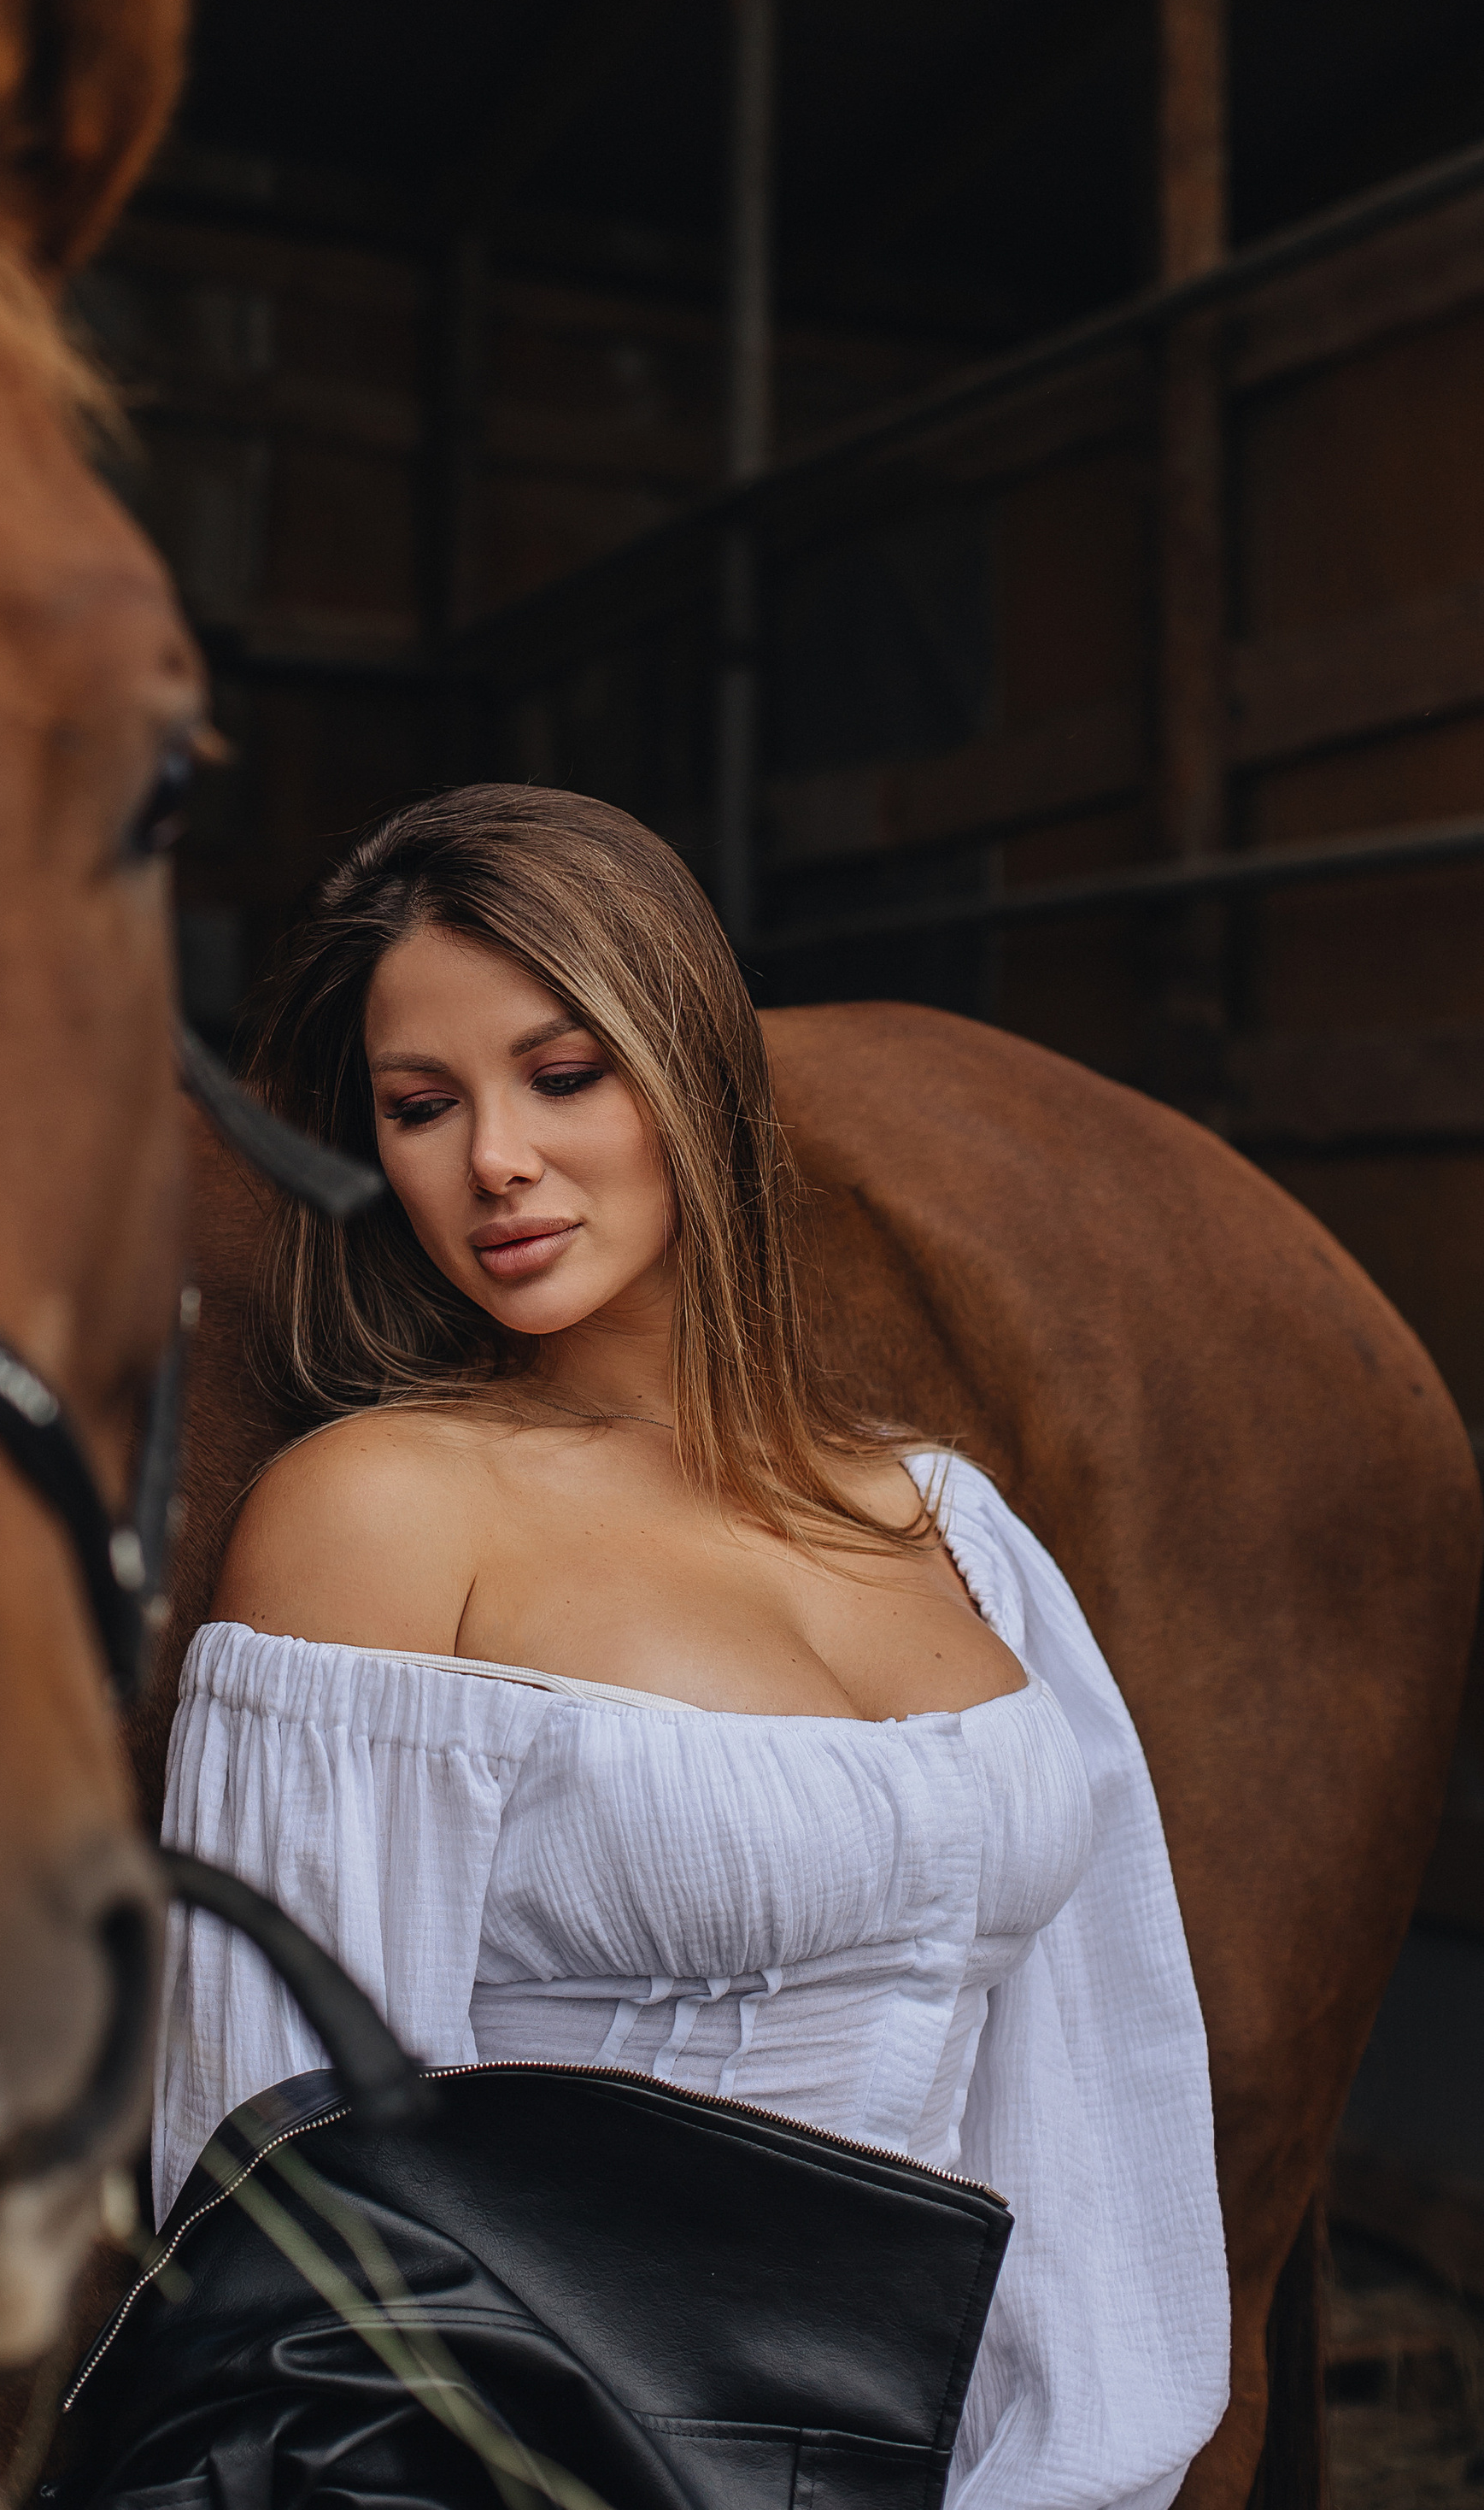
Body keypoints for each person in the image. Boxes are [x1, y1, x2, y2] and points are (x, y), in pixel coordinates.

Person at [142, 786, 1228, 2509]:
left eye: (560, 1075)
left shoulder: (954, 1531)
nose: (492, 1157)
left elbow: (1097, 2101)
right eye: (422, 1107)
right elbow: (279, 2206)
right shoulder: (376, 1519)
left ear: (689, 1072)